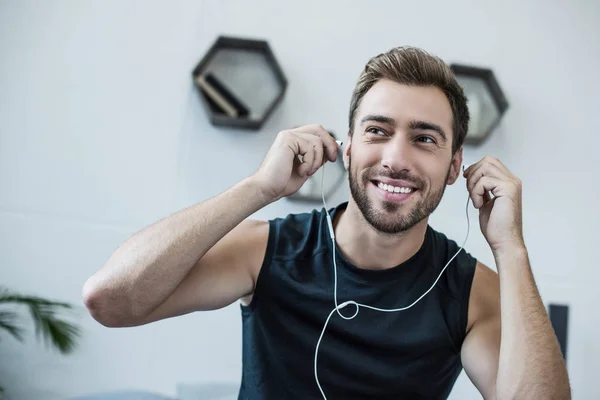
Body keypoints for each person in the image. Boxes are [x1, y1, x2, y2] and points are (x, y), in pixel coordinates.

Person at [82, 46, 571, 399]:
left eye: (424, 139)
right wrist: (259, 187)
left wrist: (512, 249)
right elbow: (110, 300)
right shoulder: (269, 251)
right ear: (349, 145)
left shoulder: (471, 293)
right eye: (378, 131)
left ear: (453, 164)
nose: (396, 158)